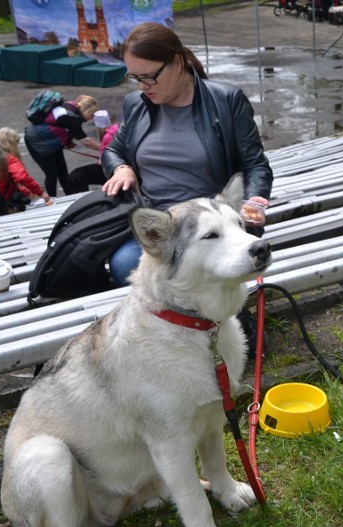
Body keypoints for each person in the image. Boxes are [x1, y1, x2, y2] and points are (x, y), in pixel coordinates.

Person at [101, 22, 273, 356]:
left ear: (178, 62)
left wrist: (254, 199)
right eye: (134, 77)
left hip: (211, 221)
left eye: (149, 76)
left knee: (127, 265)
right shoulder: (137, 104)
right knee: (122, 261)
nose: (142, 86)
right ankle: (175, 338)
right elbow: (114, 149)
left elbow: (256, 163)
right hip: (160, 224)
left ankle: (226, 315)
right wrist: (120, 167)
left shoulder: (226, 101)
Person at [24, 95, 102, 197]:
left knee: (63, 173)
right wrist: (105, 149)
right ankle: (52, 200)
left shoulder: (70, 111)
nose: (92, 118)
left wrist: (67, 142)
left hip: (50, 141)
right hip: (35, 142)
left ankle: (70, 197)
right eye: (92, 115)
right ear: (86, 110)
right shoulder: (69, 117)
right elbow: (86, 141)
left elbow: (62, 129)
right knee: (52, 174)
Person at [0, 127, 53, 213]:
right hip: (5, 203)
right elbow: (22, 178)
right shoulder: (8, 158)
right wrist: (41, 193)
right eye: (16, 143)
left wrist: (27, 192)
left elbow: (3, 182)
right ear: (11, 143)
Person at [67, 113, 119, 194]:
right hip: (81, 175)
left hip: (108, 165)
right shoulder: (114, 131)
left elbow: (110, 150)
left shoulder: (108, 136)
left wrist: (103, 159)